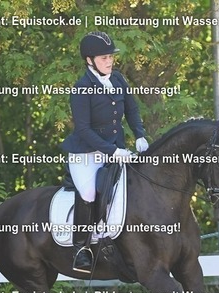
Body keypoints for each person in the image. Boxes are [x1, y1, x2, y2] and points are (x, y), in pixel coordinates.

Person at [61, 31, 149, 273]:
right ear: (90, 60)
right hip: (86, 155)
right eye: (104, 58)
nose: (109, 61)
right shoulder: (81, 89)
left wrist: (140, 134)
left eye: (110, 57)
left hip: (116, 149)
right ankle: (81, 249)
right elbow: (84, 130)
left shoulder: (118, 79)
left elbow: (132, 109)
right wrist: (112, 151)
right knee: (89, 193)